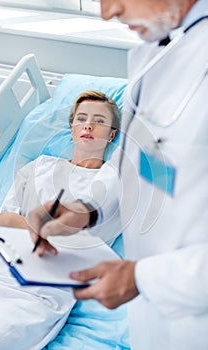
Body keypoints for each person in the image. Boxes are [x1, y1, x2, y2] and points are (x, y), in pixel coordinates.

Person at [27, 1, 208, 349]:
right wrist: (88, 208)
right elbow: (152, 167)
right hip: (151, 315)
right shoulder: (158, 50)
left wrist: (142, 278)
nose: (108, 12)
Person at [0, 90, 125, 350]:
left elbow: (76, 235)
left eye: (99, 121)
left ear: (112, 134)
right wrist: (38, 227)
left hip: (40, 288)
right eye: (81, 118)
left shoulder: (113, 177)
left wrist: (23, 224)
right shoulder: (38, 167)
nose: (88, 125)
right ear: (72, 127)